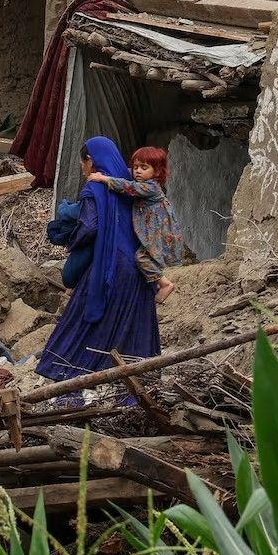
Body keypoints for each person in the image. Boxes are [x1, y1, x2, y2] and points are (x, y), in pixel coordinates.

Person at [34, 136, 161, 386]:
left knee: (85, 320)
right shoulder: (128, 185)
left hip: (112, 264)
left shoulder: (95, 187)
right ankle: (134, 385)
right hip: (140, 266)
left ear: (90, 161)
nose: (83, 170)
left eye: (83, 164)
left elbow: (91, 226)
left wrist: (72, 239)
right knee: (132, 325)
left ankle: (67, 377)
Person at [87, 144, 187, 302]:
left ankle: (164, 283)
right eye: (136, 167)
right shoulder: (146, 182)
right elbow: (126, 175)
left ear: (157, 171)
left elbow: (128, 187)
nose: (138, 171)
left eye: (144, 167)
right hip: (152, 228)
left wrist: (103, 178)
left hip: (156, 229)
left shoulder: (150, 187)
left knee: (142, 257)